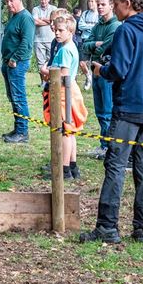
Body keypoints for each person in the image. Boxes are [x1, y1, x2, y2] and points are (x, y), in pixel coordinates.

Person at [82, 0, 143, 244]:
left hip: (129, 106)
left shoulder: (126, 30)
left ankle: (107, 226)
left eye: (116, 4)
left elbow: (118, 69)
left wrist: (100, 70)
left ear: (128, 3)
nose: (114, 9)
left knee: (115, 165)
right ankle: (142, 228)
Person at [40, 14, 87, 180]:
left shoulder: (65, 50)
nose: (57, 33)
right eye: (55, 30)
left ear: (70, 31)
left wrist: (46, 71)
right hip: (69, 90)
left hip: (64, 93)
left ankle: (64, 170)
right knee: (70, 130)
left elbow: (63, 76)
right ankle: (73, 166)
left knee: (65, 131)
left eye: (61, 30)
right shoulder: (70, 46)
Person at [81, 0, 121, 160]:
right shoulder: (98, 25)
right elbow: (86, 44)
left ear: (111, 6)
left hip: (106, 72)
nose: (99, 7)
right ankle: (104, 144)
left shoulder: (115, 26)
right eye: (98, 4)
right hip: (95, 70)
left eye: (103, 4)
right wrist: (94, 44)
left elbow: (103, 48)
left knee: (107, 111)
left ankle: (109, 147)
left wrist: (96, 46)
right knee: (99, 111)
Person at [0, 0, 35, 143]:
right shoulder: (14, 17)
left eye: (11, 0)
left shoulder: (25, 18)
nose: (9, 4)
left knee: (19, 97)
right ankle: (17, 128)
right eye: (7, 1)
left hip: (17, 63)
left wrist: (14, 58)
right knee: (13, 97)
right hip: (8, 62)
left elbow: (26, 43)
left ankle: (22, 132)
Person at [32, 0, 58, 80]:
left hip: (51, 39)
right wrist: (49, 21)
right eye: (42, 0)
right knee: (40, 62)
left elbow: (55, 21)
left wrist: (42, 19)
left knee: (51, 60)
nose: (43, 1)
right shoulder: (36, 9)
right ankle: (43, 81)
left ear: (48, 0)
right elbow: (35, 22)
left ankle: (50, 80)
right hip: (38, 40)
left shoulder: (54, 9)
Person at [77, 0, 100, 90]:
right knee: (82, 63)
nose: (90, 4)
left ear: (96, 3)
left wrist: (88, 27)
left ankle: (96, 82)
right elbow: (80, 26)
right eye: (89, 2)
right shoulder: (85, 13)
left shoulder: (100, 14)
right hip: (84, 40)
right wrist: (92, 27)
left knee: (95, 63)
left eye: (92, 2)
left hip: (95, 41)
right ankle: (88, 77)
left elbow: (99, 27)